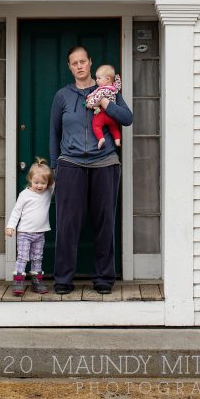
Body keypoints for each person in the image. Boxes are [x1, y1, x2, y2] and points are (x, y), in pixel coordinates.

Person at [50, 46, 133, 295]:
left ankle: (104, 278)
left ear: (90, 62)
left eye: (83, 61)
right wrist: (55, 166)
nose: (79, 66)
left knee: (104, 222)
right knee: (67, 225)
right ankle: (63, 279)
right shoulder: (62, 96)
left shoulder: (109, 92)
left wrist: (105, 101)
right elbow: (54, 133)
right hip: (70, 165)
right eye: (74, 63)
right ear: (70, 67)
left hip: (104, 163)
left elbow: (127, 119)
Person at [5, 157, 54, 295]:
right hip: (24, 233)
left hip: (40, 233)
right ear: (30, 180)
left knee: (37, 257)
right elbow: (16, 211)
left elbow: (57, 183)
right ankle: (18, 281)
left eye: (43, 183)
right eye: (36, 182)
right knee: (23, 257)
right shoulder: (24, 195)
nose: (39, 186)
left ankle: (36, 281)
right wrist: (10, 226)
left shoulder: (48, 192)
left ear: (48, 183)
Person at [86, 65, 122, 148]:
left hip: (102, 114)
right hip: (112, 116)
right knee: (114, 128)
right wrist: (116, 77)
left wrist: (89, 103)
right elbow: (118, 84)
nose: (96, 80)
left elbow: (96, 99)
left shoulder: (102, 90)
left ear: (108, 79)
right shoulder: (114, 88)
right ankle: (117, 140)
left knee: (96, 125)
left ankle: (101, 138)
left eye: (99, 78)